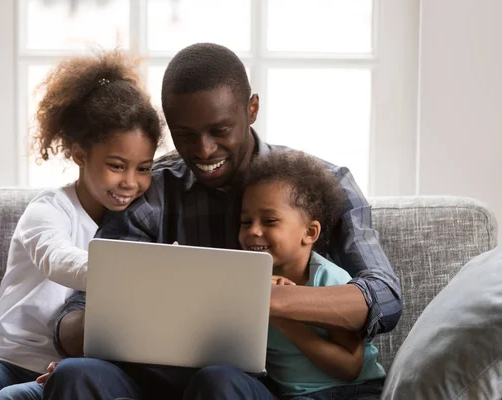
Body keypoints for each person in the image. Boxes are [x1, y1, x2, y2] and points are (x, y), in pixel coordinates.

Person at [42, 42, 401, 399]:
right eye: (185, 135)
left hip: (257, 388)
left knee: (218, 381)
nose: (204, 150)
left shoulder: (323, 186)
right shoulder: (152, 191)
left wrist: (260, 299)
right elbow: (75, 317)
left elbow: (383, 297)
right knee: (76, 375)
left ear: (252, 109)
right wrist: (129, 310)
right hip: (165, 378)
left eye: (220, 130)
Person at [0, 50, 162, 400]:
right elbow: (56, 259)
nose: (130, 182)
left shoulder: (139, 225)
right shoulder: (49, 209)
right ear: (81, 155)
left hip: (61, 370)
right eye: (117, 166)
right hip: (4, 358)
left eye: (143, 168)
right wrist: (134, 272)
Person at [240, 151, 386, 399]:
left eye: (270, 221)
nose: (254, 231)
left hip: (349, 392)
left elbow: (349, 368)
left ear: (309, 232)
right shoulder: (244, 280)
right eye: (245, 222)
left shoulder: (329, 281)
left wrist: (280, 316)